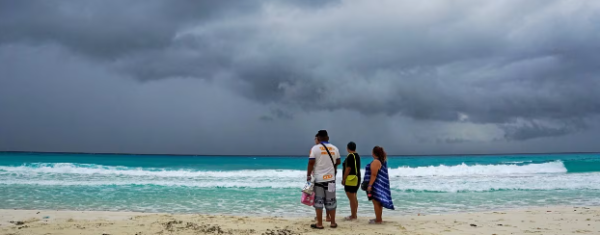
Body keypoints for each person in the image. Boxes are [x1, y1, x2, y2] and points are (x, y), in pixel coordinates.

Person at [307, 130, 341, 229]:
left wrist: (308, 175)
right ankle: (333, 223)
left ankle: (320, 224)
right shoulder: (335, 148)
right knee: (331, 201)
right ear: (328, 138)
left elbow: (311, 162)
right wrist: (330, 165)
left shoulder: (315, 148)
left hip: (318, 179)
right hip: (330, 179)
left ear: (319, 138)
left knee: (318, 201)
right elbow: (338, 161)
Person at [363, 146, 394, 224]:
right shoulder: (382, 161)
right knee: (379, 202)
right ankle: (378, 218)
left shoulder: (376, 162)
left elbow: (374, 174)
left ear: (374, 153)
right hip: (380, 184)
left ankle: (378, 220)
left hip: (376, 185)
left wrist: (370, 185)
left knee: (376, 202)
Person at [342, 141, 361, 221]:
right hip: (357, 178)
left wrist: (344, 178)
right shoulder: (357, 155)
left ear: (347, 148)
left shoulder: (350, 156)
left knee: (351, 198)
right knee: (354, 197)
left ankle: (353, 216)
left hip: (350, 179)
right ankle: (354, 214)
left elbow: (348, 168)